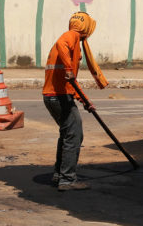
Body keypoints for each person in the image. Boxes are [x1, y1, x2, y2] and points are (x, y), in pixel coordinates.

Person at [43, 11, 108, 191]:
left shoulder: (74, 40)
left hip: (53, 96)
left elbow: (71, 84)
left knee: (67, 134)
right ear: (85, 27)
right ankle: (67, 180)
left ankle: (59, 174)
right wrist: (69, 69)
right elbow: (61, 44)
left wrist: (85, 101)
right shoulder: (71, 36)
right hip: (58, 97)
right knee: (74, 135)